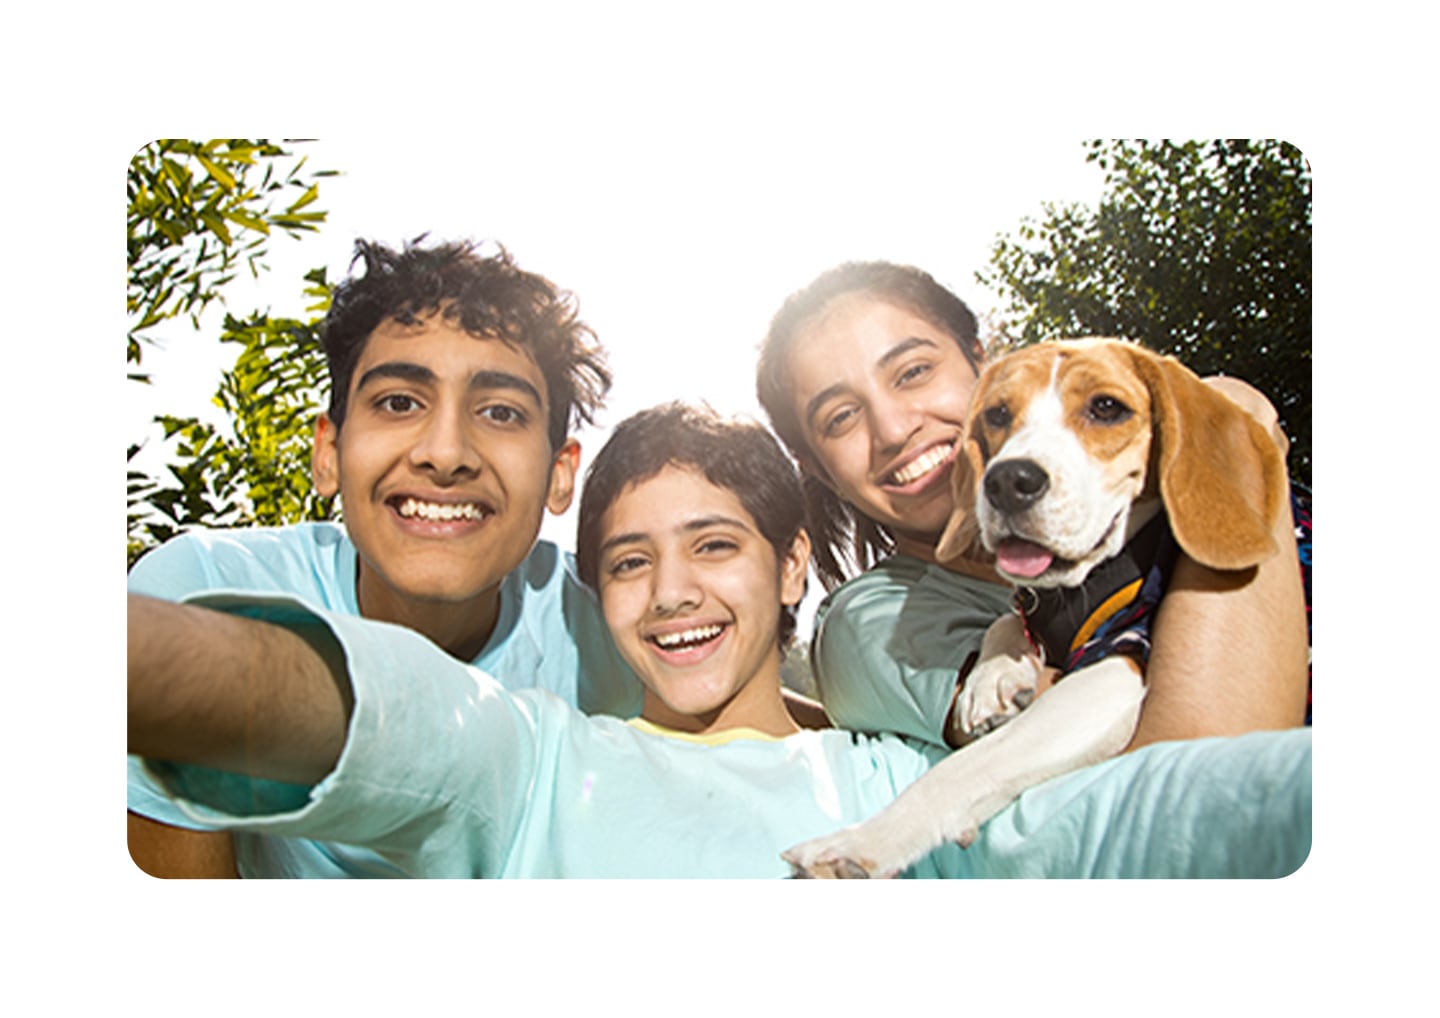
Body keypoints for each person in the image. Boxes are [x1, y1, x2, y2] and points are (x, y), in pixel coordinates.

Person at [127, 403, 1312, 878]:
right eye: (630, 562)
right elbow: (370, 716)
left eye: (716, 546)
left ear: (794, 563)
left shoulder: (902, 785)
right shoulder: (536, 762)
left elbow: (1163, 817)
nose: (672, 592)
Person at [127, 236, 646, 878]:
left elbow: (760, 722)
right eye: (400, 402)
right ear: (328, 453)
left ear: (560, 475)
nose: (446, 451)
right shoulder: (198, 599)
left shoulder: (607, 630)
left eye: (501, 411)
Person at [755, 260, 1311, 750]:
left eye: (914, 372)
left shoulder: (1142, 487)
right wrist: (1247, 442)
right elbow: (1195, 764)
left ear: (984, 362)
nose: (896, 429)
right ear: (817, 468)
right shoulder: (872, 626)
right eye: (841, 418)